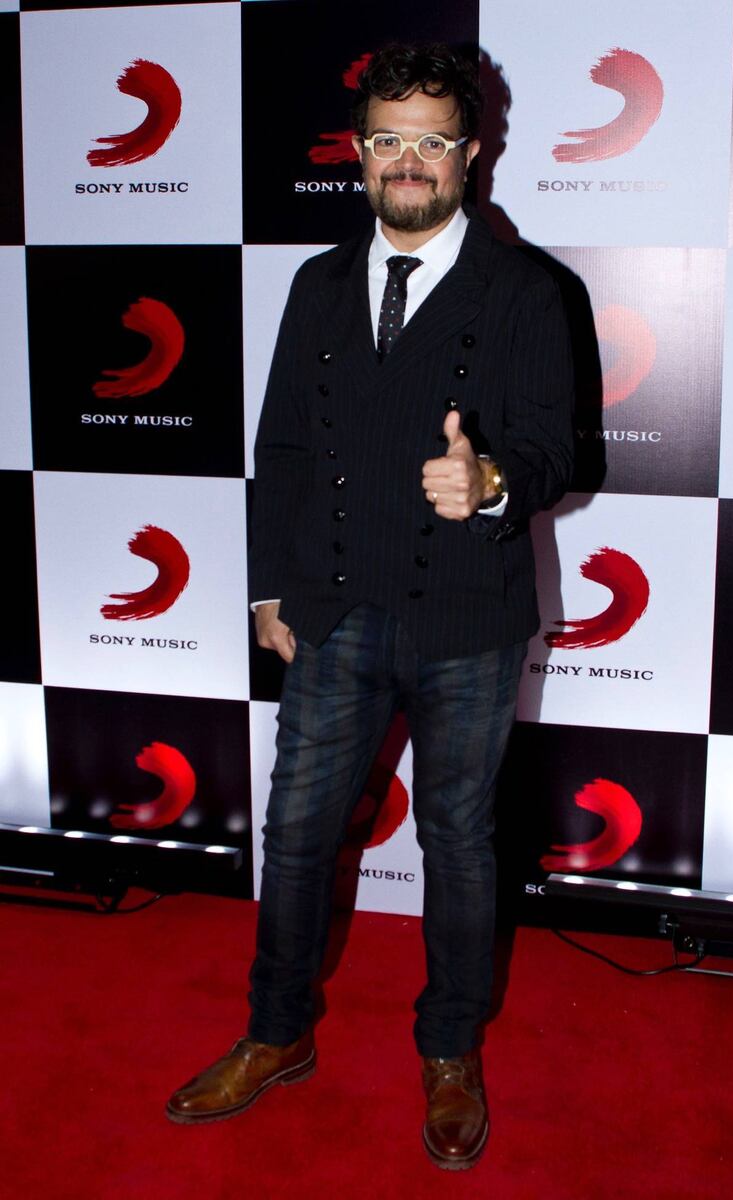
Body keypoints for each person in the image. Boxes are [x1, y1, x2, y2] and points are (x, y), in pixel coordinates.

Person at [166, 42, 573, 1170]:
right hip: (334, 609)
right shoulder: (316, 284)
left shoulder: (527, 292)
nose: (408, 161)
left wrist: (493, 480)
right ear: (357, 152)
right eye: (388, 138)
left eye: (431, 140)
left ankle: (448, 1052)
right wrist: (268, 588)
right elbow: (284, 451)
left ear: (470, 154)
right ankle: (275, 1031)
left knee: (458, 843)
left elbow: (559, 448)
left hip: (466, 618)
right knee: (296, 833)